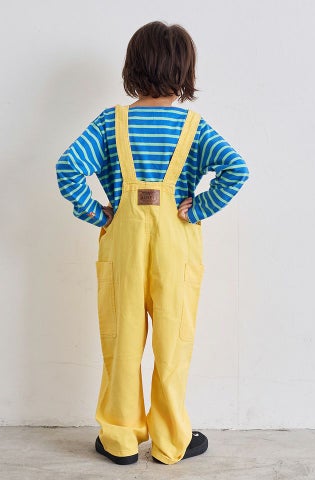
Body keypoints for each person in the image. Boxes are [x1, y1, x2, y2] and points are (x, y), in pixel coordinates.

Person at [55, 20, 250, 466]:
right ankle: (169, 439)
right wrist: (197, 209)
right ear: (185, 72)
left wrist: (98, 214)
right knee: (173, 342)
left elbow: (68, 168)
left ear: (132, 67)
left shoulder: (110, 123)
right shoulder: (194, 128)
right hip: (176, 251)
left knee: (121, 341)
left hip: (122, 248)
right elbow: (236, 169)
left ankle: (120, 439)